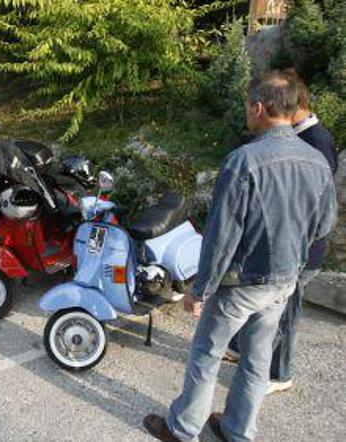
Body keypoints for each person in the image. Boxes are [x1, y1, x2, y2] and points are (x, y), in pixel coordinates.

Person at [142, 71, 337, 442]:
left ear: (259, 108)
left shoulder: (243, 161)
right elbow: (324, 224)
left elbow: (221, 236)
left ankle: (182, 429)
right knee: (257, 360)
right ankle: (237, 431)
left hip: (241, 283)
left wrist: (200, 289)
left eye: (248, 106)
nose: (247, 112)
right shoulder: (316, 160)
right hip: (285, 281)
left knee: (206, 354)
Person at [224, 70, 340, 396]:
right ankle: (239, 347)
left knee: (285, 313)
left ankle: (278, 373)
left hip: (301, 250)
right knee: (264, 305)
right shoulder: (301, 137)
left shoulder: (317, 141)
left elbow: (317, 205)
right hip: (285, 244)